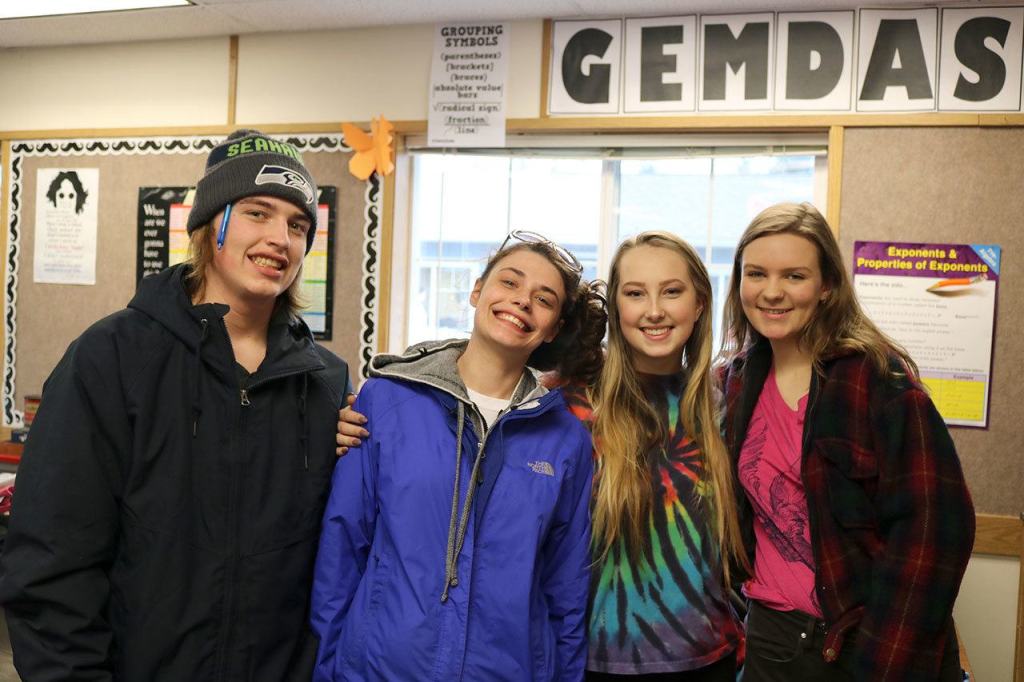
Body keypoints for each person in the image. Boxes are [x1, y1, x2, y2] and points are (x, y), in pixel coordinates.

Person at [0, 129, 351, 681]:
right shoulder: (113, 356)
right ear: (211, 223)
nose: (280, 239)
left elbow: (337, 564)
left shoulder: (325, 383)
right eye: (258, 213)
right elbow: (52, 558)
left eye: (298, 225)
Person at [337, 231, 746, 681]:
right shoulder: (562, 404)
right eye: (634, 293)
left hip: (708, 656)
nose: (654, 310)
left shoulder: (726, 400)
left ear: (700, 303)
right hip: (594, 659)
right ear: (616, 308)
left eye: (671, 291)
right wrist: (354, 425)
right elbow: (480, 396)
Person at [311, 231, 606, 681]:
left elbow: (565, 586)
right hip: (381, 668)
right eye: (509, 282)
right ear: (477, 290)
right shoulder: (385, 401)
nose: (522, 301)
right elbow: (342, 547)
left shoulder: (565, 440)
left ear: (554, 328)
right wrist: (329, 669)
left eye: (543, 299)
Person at [717, 202, 975, 681]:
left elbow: (936, 533)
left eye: (794, 276)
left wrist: (884, 662)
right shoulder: (734, 383)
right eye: (756, 274)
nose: (772, 292)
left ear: (827, 286)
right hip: (771, 639)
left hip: (866, 642)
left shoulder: (876, 381)